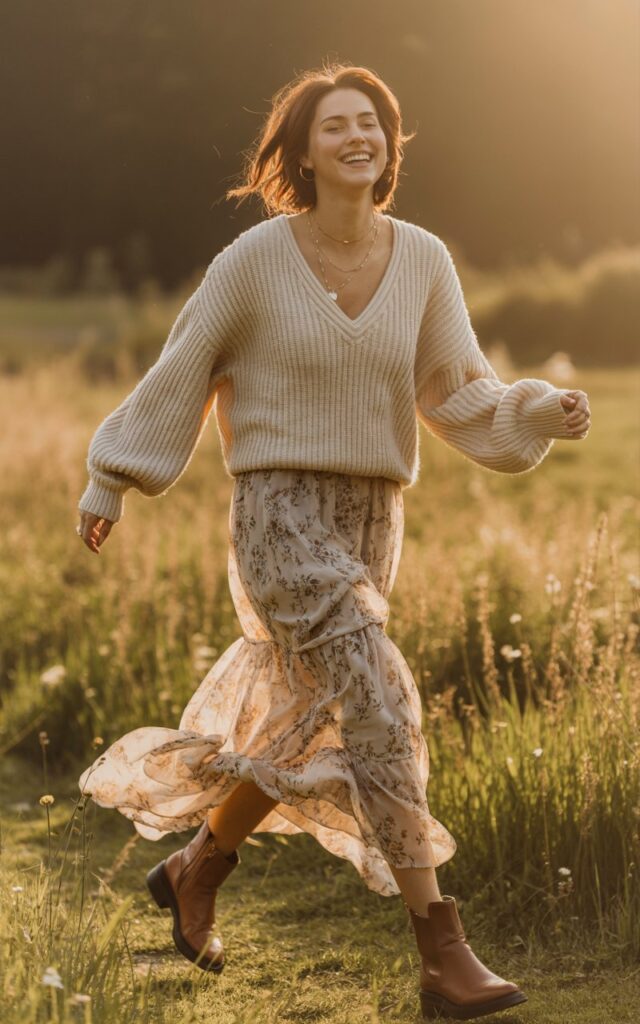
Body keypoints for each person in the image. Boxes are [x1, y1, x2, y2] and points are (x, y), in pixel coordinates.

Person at [75, 62, 591, 1021]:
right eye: (335, 126)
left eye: (372, 123)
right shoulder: (257, 260)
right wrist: (113, 474)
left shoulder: (425, 259)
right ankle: (443, 953)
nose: (358, 136)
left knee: (314, 719)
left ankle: (197, 869)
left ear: (389, 146)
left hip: (371, 519)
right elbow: (182, 367)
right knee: (384, 705)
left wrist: (534, 409)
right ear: (303, 154)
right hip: (278, 514)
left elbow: (457, 390)